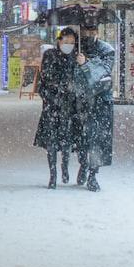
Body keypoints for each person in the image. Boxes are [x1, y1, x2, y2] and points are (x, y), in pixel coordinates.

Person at [34, 26, 84, 188]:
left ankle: (65, 167)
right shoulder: (50, 55)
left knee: (67, 141)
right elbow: (45, 78)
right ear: (59, 41)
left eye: (72, 42)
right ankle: (53, 175)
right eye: (66, 40)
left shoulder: (77, 57)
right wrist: (58, 89)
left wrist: (82, 65)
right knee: (51, 143)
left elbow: (81, 80)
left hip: (69, 107)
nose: (69, 44)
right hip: (52, 106)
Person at [74, 19, 115, 190]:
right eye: (85, 32)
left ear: (97, 32)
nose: (88, 35)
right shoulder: (76, 49)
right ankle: (83, 164)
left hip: (101, 102)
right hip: (81, 101)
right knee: (81, 138)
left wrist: (86, 64)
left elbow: (102, 74)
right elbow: (72, 75)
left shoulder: (106, 50)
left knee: (97, 139)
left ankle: (93, 173)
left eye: (92, 32)